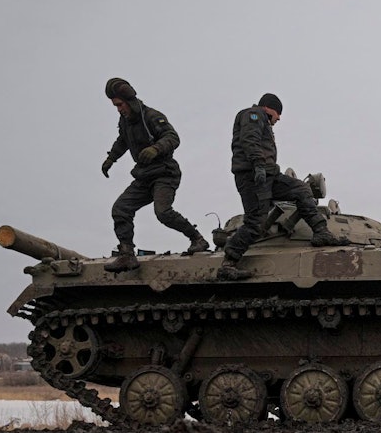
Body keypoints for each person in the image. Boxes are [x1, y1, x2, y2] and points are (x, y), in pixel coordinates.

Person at [218, 92, 344, 281]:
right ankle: (228, 263)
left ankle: (321, 232)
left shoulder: (263, 122)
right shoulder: (253, 115)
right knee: (256, 223)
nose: (279, 118)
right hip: (253, 176)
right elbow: (249, 139)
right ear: (270, 108)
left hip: (270, 175)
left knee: (302, 189)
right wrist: (259, 164)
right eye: (278, 113)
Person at [101, 77, 209, 273]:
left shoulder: (151, 116)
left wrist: (156, 149)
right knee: (121, 208)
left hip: (164, 173)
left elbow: (172, 137)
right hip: (144, 176)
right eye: (115, 106)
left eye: (119, 104)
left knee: (163, 212)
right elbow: (122, 141)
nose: (119, 109)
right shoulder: (125, 121)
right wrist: (111, 159)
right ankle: (127, 255)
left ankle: (197, 239)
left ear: (129, 100)